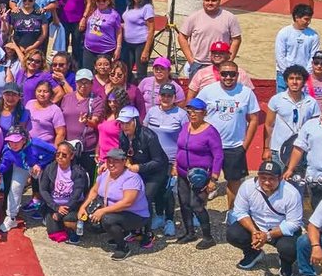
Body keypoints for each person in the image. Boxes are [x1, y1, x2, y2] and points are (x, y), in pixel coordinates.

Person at [195, 61, 261, 204]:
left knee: (234, 182)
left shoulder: (246, 93)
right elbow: (195, 113)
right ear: (219, 74)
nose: (228, 77)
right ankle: (201, 212)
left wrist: (245, 146)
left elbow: (254, 119)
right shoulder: (207, 91)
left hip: (234, 146)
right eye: (225, 73)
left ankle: (232, 213)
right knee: (202, 179)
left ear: (237, 75)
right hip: (209, 146)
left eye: (232, 74)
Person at [226, 159, 303, 274]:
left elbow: (294, 223)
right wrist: (254, 232)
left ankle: (286, 262)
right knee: (233, 234)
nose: (266, 182)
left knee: (290, 248)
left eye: (271, 179)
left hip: (279, 229)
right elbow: (240, 212)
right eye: (263, 178)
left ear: (280, 178)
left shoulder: (291, 193)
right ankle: (253, 253)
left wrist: (267, 235)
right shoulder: (247, 186)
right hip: (257, 225)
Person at [80, 147, 149, 259]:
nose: (111, 164)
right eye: (109, 161)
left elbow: (127, 203)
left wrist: (102, 211)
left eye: (115, 161)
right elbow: (94, 191)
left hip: (135, 214)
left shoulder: (132, 178)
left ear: (124, 161)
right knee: (87, 220)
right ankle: (120, 234)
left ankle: (123, 247)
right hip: (113, 211)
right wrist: (83, 207)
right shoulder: (105, 173)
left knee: (107, 219)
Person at [173, 98, 223, 246]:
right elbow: (180, 148)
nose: (192, 114)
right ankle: (189, 232)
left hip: (200, 176)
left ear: (204, 113)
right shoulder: (185, 127)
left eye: (196, 111)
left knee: (197, 205)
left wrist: (214, 179)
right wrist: (175, 165)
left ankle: (208, 237)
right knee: (184, 203)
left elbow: (218, 155)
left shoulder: (210, 131)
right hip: (183, 173)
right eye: (190, 111)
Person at [117, 104, 169, 237]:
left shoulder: (149, 136)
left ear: (135, 121)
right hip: (137, 170)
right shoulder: (122, 136)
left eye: (127, 123)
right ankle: (135, 228)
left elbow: (158, 161)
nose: (124, 126)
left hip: (156, 171)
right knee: (131, 196)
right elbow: (123, 153)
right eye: (121, 123)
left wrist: (139, 167)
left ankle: (148, 233)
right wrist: (124, 161)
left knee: (145, 198)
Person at [177, 0, 242, 77]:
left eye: (214, 1)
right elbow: (182, 37)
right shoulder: (194, 17)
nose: (210, 3)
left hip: (221, 64)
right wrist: (190, 59)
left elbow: (236, 39)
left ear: (219, 1)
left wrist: (229, 60)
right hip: (198, 64)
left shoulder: (229, 18)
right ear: (203, 1)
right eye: (207, 0)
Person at [265, 65, 318, 166]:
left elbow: (315, 128)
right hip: (277, 149)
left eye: (298, 79)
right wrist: (266, 148)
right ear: (286, 81)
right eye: (291, 78)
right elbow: (268, 125)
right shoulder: (276, 100)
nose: (294, 82)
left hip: (302, 149)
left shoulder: (311, 102)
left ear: (304, 82)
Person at [273, 4, 320, 91]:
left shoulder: (314, 35)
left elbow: (313, 57)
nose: (308, 22)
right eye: (306, 19)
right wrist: (288, 73)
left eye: (310, 19)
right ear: (297, 17)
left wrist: (305, 73)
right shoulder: (284, 33)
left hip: (303, 75)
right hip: (283, 74)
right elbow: (280, 56)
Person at [118, 0, 156, 76]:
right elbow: (127, 23)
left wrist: (146, 51)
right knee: (126, 71)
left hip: (141, 44)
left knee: (140, 73)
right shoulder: (130, 6)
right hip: (129, 44)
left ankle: (141, 90)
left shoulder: (147, 8)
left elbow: (151, 29)